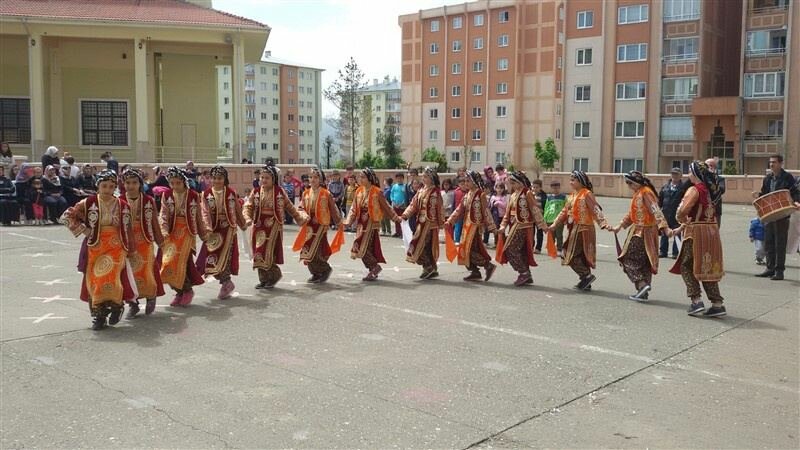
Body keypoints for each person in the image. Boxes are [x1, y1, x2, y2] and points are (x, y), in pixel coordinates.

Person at [62, 170, 135, 330]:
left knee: (111, 278)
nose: (107, 190)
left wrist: (131, 247)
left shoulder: (123, 205)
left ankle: (116, 306)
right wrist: (84, 229)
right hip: (95, 245)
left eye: (111, 186)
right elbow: (67, 216)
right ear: (98, 186)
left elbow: (128, 228)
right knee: (94, 280)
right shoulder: (88, 202)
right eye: (104, 186)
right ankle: (98, 316)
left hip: (116, 245)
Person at [668, 161, 726, 317]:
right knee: (707, 266)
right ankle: (717, 303)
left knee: (686, 265)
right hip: (711, 232)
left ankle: (696, 300)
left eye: (689, 172)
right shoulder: (711, 191)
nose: (688, 175)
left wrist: (680, 220)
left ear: (694, 174)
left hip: (696, 233)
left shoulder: (694, 190)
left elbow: (683, 210)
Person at [244, 165, 308, 289]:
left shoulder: (279, 192)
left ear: (273, 179)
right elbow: (248, 206)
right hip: (258, 225)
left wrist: (299, 218)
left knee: (267, 252)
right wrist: (247, 217)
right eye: (262, 177)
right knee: (258, 251)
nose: (263, 180)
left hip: (273, 225)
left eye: (267, 178)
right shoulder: (256, 191)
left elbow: (289, 207)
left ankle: (274, 275)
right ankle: (264, 279)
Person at [609, 171, 669, 301]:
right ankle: (643, 292)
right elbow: (632, 214)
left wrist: (664, 227)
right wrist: (620, 226)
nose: (629, 186)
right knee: (643, 262)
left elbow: (655, 209)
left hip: (643, 231)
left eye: (630, 183)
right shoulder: (639, 193)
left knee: (626, 258)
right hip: (641, 230)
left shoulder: (646, 192)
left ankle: (642, 285)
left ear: (636, 182)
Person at [548, 171, 608, 290]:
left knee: (568, 253)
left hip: (584, 229)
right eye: (570, 179)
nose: (571, 182)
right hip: (573, 228)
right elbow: (564, 212)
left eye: (573, 180)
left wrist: (603, 223)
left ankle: (587, 275)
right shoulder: (572, 196)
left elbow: (595, 209)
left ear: (581, 181)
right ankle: (585, 280)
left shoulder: (587, 194)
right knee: (578, 255)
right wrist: (555, 224)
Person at [159, 167, 208, 307]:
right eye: (172, 183)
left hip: (187, 233)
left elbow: (198, 216)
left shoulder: (193, 195)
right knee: (168, 263)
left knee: (181, 263)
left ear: (183, 182)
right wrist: (163, 230)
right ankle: (179, 291)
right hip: (171, 233)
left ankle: (187, 291)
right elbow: (163, 214)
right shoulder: (167, 195)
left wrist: (204, 234)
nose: (174, 186)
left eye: (177, 183)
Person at [197, 166, 246, 300]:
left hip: (228, 230)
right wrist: (207, 228)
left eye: (219, 178)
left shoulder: (231, 193)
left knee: (225, 259)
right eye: (214, 178)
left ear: (225, 179)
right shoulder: (206, 194)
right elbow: (204, 213)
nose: (216, 181)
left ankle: (226, 283)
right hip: (213, 231)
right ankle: (226, 283)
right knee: (211, 257)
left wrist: (243, 224)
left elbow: (237, 210)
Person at [121, 168, 165, 318]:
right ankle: (133, 304)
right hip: (126, 242)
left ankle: (150, 297)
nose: (131, 186)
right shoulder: (119, 200)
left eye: (134, 182)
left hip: (145, 240)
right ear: (123, 184)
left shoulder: (148, 200)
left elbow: (154, 223)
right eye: (127, 183)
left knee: (146, 271)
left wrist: (161, 242)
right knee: (128, 274)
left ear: (140, 184)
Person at [344, 167, 401, 281]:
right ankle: (373, 268)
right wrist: (348, 222)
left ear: (370, 178)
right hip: (361, 224)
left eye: (363, 177)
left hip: (371, 223)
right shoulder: (359, 191)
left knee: (362, 247)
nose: (360, 179)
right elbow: (354, 209)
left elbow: (386, 207)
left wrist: (396, 218)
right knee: (364, 248)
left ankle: (375, 267)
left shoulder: (377, 191)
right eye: (360, 177)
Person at [753, 154, 800, 280]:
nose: (771, 164)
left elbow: (795, 192)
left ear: (780, 163)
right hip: (769, 214)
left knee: (780, 243)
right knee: (769, 242)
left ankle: (779, 271)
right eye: (770, 162)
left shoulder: (787, 177)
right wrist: (758, 196)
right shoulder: (767, 178)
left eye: (774, 162)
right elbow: (764, 193)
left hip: (782, 214)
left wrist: (796, 201)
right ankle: (770, 268)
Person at [445, 170, 498, 282]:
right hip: (466, 226)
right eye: (464, 181)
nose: (465, 183)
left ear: (474, 181)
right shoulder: (467, 195)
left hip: (475, 227)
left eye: (468, 181)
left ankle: (488, 266)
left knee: (468, 250)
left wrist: (492, 227)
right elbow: (459, 209)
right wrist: (450, 221)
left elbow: (486, 211)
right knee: (464, 250)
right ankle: (475, 272)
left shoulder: (481, 195)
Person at [497, 172, 547, 286]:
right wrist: (503, 226)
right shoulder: (514, 195)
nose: (512, 185)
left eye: (514, 182)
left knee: (510, 249)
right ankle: (526, 274)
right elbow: (508, 213)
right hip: (515, 225)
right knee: (519, 251)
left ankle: (524, 273)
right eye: (511, 183)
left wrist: (542, 225)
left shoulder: (527, 193)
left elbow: (535, 209)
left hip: (524, 226)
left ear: (520, 182)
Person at [294, 167, 343, 283]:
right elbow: (300, 208)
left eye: (315, 177)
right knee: (307, 250)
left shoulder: (326, 194)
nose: (312, 179)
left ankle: (325, 270)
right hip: (309, 225)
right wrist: (302, 214)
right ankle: (316, 273)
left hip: (321, 224)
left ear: (321, 180)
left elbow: (333, 209)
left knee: (315, 250)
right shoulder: (306, 193)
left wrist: (339, 222)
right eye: (311, 177)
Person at [400, 167, 445, 279]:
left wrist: (441, 223)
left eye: (425, 176)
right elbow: (413, 205)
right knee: (422, 246)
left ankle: (429, 267)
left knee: (420, 246)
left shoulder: (436, 192)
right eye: (423, 176)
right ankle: (429, 268)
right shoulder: (421, 190)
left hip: (430, 224)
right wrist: (405, 215)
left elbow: (440, 208)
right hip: (420, 223)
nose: (423, 178)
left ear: (431, 178)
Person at [659, 168, 684, 258]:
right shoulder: (665, 187)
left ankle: (676, 252)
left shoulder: (683, 188)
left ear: (681, 176)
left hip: (677, 214)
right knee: (664, 232)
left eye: (676, 174)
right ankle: (663, 251)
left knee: (677, 233)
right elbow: (660, 201)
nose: (674, 176)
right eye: (673, 174)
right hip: (666, 213)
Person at [543, 181, 567, 254]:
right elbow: (546, 208)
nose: (555, 190)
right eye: (553, 188)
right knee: (551, 235)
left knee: (559, 235)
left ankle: (559, 249)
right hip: (550, 219)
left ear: (559, 188)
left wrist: (565, 219)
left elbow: (566, 208)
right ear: (551, 188)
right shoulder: (549, 198)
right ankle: (551, 249)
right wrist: (544, 219)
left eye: (557, 188)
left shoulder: (563, 197)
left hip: (559, 220)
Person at [705, 158, 725, 226]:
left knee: (715, 229)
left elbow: (722, 190)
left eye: (711, 165)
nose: (709, 167)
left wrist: (711, 180)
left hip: (716, 208)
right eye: (707, 166)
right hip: (704, 209)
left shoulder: (720, 179)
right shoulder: (701, 179)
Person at [487, 182, 508, 248]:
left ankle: (502, 243)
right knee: (495, 230)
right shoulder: (493, 197)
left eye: (501, 188)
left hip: (502, 216)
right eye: (497, 188)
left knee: (501, 230)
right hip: (494, 216)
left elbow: (505, 206)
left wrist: (498, 203)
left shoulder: (504, 197)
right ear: (495, 188)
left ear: (503, 189)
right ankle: (496, 243)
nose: (499, 190)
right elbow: (490, 205)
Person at [390, 172, 407, 237]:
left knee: (402, 219)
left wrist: (401, 204)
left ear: (403, 179)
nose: (399, 179)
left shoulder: (405, 186)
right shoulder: (394, 186)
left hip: (402, 206)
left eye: (401, 178)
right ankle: (397, 232)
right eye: (398, 178)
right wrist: (393, 202)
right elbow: (391, 195)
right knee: (396, 219)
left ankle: (403, 233)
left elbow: (406, 196)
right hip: (395, 205)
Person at [453, 177, 467, 242]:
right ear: (459, 184)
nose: (463, 185)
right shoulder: (456, 192)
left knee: (465, 229)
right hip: (458, 214)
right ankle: (457, 241)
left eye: (464, 184)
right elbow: (453, 203)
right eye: (461, 184)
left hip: (466, 214)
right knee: (457, 228)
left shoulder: (468, 192)